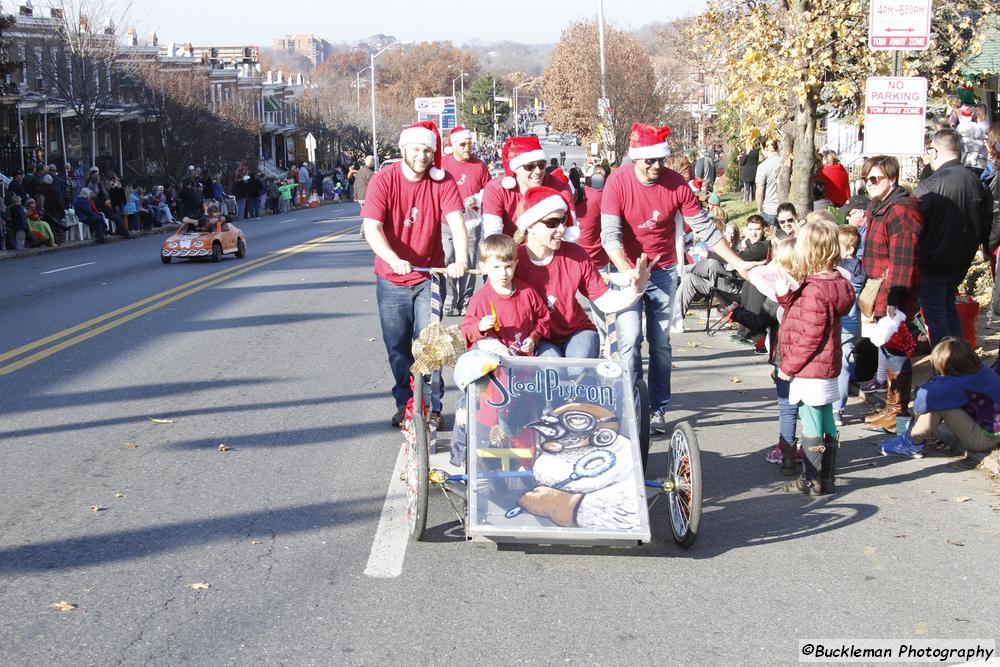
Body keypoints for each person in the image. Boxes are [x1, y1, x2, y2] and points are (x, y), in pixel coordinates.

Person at [601, 123, 754, 432]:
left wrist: (739, 263)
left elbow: (706, 229)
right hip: (628, 271)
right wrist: (629, 271)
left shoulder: (676, 185)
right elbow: (610, 237)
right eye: (649, 160)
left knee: (659, 342)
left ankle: (657, 408)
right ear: (636, 159)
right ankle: (630, 404)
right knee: (629, 340)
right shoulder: (617, 183)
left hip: (663, 270)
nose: (656, 166)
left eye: (661, 159)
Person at [362, 121, 468, 428]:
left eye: (427, 150)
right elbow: (372, 228)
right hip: (391, 278)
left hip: (429, 276)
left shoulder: (442, 181)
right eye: (417, 149)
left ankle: (432, 407)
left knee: (431, 346)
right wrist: (393, 258)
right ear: (404, 149)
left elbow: (456, 222)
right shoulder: (384, 181)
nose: (422, 156)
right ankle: (406, 403)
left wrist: (459, 259)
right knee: (397, 347)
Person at [514, 186, 653, 358]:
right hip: (537, 336)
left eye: (563, 221)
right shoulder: (513, 261)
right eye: (552, 223)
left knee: (578, 366)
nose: (561, 229)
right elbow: (495, 301)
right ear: (530, 227)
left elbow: (604, 300)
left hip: (576, 331)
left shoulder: (575, 254)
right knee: (551, 369)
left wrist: (636, 289)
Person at [777, 221, 855, 495]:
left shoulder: (813, 290)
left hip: (810, 367)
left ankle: (812, 479)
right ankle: (828, 477)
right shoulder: (836, 283)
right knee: (826, 416)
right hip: (826, 364)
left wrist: (788, 366)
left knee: (810, 417)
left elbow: (808, 336)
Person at [914, 128, 994, 350]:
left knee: (936, 314)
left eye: (929, 151)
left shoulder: (931, 185)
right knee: (947, 308)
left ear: (936, 151)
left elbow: (915, 223)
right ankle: (959, 361)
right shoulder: (976, 180)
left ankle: (946, 367)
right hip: (961, 259)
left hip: (933, 259)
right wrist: (983, 248)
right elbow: (986, 221)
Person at [860, 155, 923, 434]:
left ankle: (899, 412)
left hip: (894, 289)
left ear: (892, 179)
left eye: (875, 178)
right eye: (866, 179)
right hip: (880, 285)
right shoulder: (878, 206)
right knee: (888, 347)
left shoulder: (901, 210)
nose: (869, 183)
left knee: (897, 348)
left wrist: (895, 300)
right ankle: (890, 407)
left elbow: (903, 258)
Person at [881, 337, 999, 458]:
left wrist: (936, 382)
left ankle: (912, 441)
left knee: (936, 404)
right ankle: (912, 436)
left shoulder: (956, 384)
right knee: (938, 399)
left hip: (986, 439)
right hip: (992, 429)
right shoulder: (981, 370)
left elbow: (921, 403)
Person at [679, 214, 770, 321]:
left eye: (757, 229)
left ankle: (678, 273)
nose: (754, 233)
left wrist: (708, 254)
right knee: (689, 279)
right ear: (746, 230)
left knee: (711, 264)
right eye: (751, 229)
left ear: (764, 229)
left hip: (739, 288)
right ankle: (676, 319)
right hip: (726, 282)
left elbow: (737, 258)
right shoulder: (745, 243)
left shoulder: (763, 246)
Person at [481, 135, 575, 239]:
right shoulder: (496, 189)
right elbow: (493, 237)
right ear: (515, 168)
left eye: (541, 165)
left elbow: (569, 235)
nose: (537, 171)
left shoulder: (560, 187)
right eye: (529, 166)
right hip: (508, 251)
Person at [441, 125, 491, 316]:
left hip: (471, 222)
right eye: (462, 144)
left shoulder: (479, 166)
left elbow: (489, 190)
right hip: (446, 222)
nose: (467, 148)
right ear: (453, 145)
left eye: (469, 144)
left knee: (468, 262)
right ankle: (450, 297)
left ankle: (466, 300)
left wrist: (477, 198)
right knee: (448, 257)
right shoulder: (443, 164)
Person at [834, 225, 866, 426]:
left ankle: (835, 407)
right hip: (854, 323)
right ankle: (839, 407)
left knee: (840, 363)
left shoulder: (841, 269)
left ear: (849, 249)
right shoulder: (861, 269)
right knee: (845, 360)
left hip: (841, 321)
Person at [755, 139, 782, 226]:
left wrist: (759, 209)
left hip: (770, 210)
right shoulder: (787, 162)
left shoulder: (763, 166)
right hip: (787, 207)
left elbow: (759, 192)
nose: (762, 152)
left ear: (766, 148)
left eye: (761, 149)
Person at [354, 156, 375, 239]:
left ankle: (364, 232)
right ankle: (363, 232)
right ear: (372, 162)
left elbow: (355, 184)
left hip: (360, 196)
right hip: (366, 196)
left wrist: (355, 195)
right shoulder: (370, 173)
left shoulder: (360, 171)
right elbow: (375, 185)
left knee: (368, 214)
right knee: (369, 215)